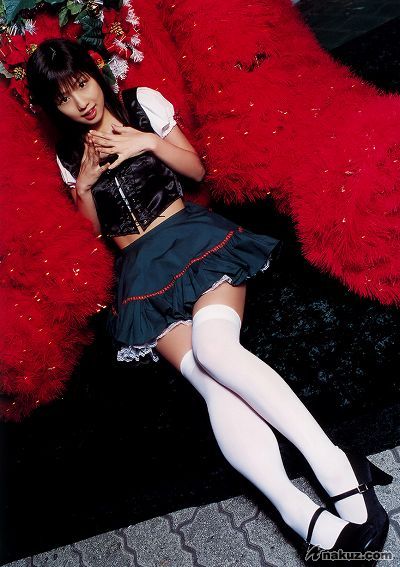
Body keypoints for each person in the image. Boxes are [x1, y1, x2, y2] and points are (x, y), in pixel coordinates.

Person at [26, 38, 392, 565]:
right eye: (63, 98)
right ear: (52, 107)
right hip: (140, 275)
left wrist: (145, 143)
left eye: (81, 84)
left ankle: (333, 465)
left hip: (192, 240)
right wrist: (83, 187)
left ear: (95, 72)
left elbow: (197, 171)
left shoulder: (142, 104)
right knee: (207, 379)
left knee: (216, 351)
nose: (80, 102)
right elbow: (94, 237)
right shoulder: (68, 157)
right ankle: (301, 517)